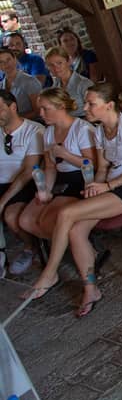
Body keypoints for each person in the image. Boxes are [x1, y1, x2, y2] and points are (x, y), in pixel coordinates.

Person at [23, 83, 122, 317]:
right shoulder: (100, 131)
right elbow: (102, 168)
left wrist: (108, 186)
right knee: (76, 231)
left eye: (91, 104)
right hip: (113, 188)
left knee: (67, 213)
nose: (85, 108)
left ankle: (50, 273)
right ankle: (91, 289)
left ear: (109, 105)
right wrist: (94, 186)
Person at [17, 88, 94, 246]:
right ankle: (69, 245)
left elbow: (93, 164)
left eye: (45, 109)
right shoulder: (49, 132)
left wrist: (67, 155)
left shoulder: (82, 129)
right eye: (40, 109)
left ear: (61, 107)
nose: (41, 114)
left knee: (47, 220)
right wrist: (45, 190)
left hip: (80, 179)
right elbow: (50, 167)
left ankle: (78, 246)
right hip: (60, 179)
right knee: (25, 220)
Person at [0, 89, 44, 278]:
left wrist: (2, 201)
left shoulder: (34, 130)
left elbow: (28, 171)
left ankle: (30, 247)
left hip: (22, 184)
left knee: (11, 216)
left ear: (13, 107)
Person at [44, 47, 92, 116]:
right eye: (51, 65)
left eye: (59, 63)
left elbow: (94, 112)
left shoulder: (84, 84)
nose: (56, 68)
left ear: (68, 61)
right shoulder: (55, 84)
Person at [0, 48, 42, 118]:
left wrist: (15, 119)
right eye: (1, 62)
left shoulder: (30, 81)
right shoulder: (1, 85)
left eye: (8, 59)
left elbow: (38, 111)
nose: (6, 64)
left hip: (30, 122)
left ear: (15, 60)